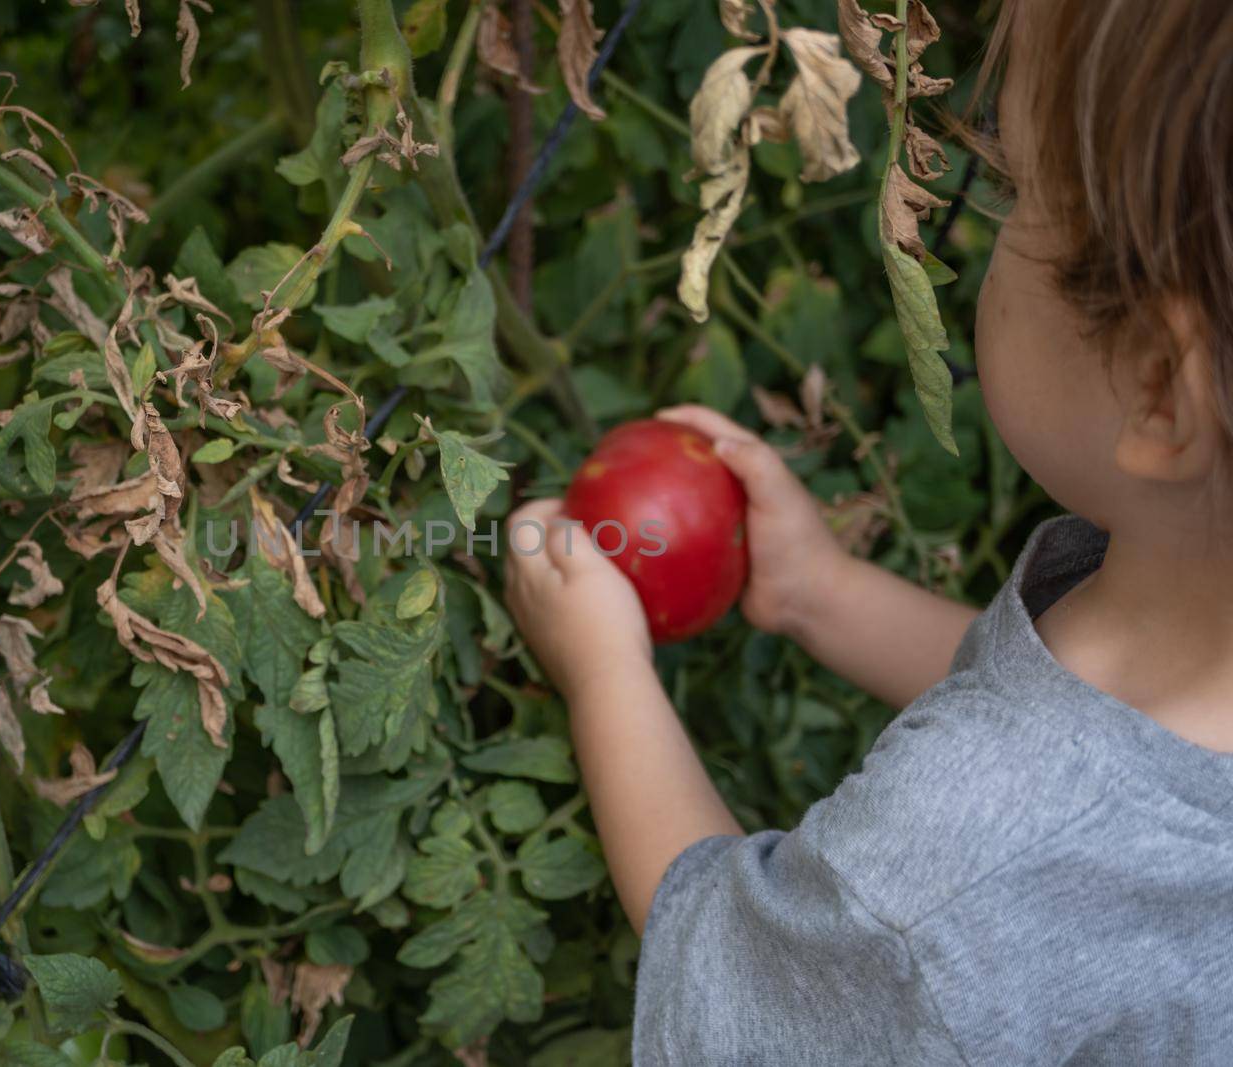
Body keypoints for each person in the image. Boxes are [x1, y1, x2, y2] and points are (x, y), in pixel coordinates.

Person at [503, 0, 1233, 1062]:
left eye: (1013, 191)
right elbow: (1098, 750)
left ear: (1159, 386)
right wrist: (823, 592)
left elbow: (735, 985)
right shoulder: (1179, 634)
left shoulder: (939, 889)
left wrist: (603, 669)